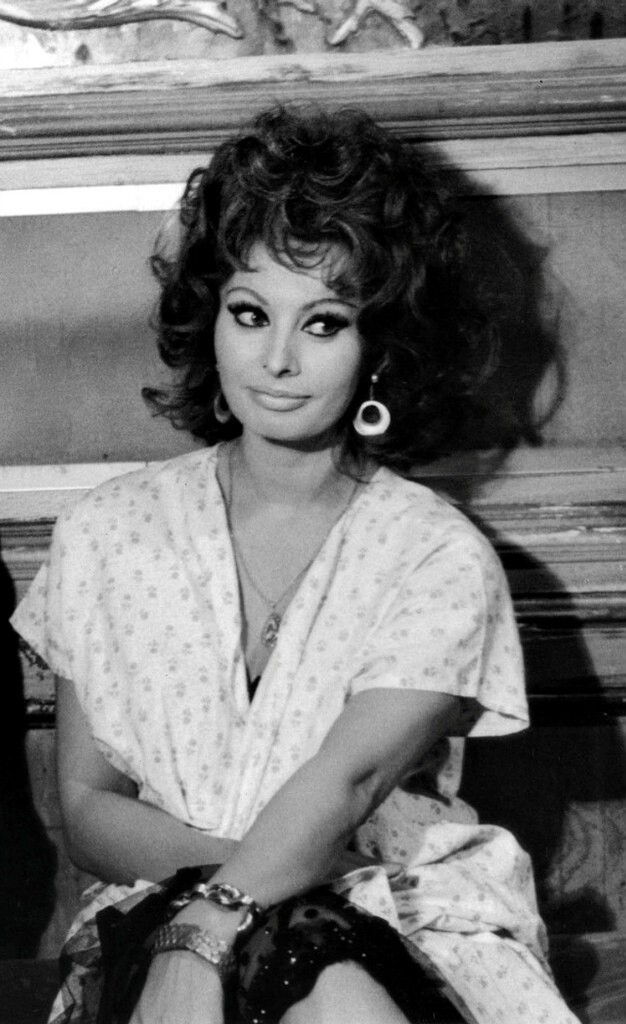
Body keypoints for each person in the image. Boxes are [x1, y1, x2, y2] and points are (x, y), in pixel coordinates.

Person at [11, 106, 579, 1024]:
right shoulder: (106, 532)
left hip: (394, 915)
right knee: (292, 941)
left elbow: (347, 786)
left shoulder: (436, 555)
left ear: (382, 344)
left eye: (324, 323)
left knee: (319, 959)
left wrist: (216, 924)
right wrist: (223, 903)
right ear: (212, 317)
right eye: (251, 313)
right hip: (154, 901)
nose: (276, 359)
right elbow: (85, 807)